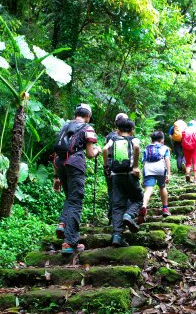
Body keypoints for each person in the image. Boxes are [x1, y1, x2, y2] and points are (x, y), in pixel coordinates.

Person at [53, 103, 101, 255]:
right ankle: (70, 242)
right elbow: (90, 154)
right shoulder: (87, 128)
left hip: (60, 164)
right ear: (87, 116)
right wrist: (98, 150)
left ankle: (63, 223)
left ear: (76, 114)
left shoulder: (65, 126)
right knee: (76, 200)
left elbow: (57, 150)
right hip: (75, 164)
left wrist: (56, 177)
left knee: (70, 197)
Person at [102, 118, 143, 247]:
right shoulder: (134, 139)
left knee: (117, 205)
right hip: (130, 174)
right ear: (132, 130)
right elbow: (136, 147)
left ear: (118, 130)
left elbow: (104, 149)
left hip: (116, 176)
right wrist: (135, 166)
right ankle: (129, 215)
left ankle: (117, 236)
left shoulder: (113, 139)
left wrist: (106, 167)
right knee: (138, 199)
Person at [137, 131, 171, 224]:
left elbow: (144, 162)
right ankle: (165, 209)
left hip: (148, 169)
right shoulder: (165, 148)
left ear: (151, 140)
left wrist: (143, 177)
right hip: (160, 168)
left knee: (148, 190)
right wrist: (168, 173)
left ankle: (144, 206)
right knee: (162, 187)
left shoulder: (147, 148)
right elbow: (167, 160)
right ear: (162, 140)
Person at [104, 112, 129, 225]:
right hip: (123, 168)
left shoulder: (110, 136)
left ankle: (112, 218)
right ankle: (123, 217)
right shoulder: (127, 136)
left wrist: (105, 166)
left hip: (109, 166)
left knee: (112, 192)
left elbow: (106, 150)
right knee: (124, 192)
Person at [181, 119, 196, 184]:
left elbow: (182, 139)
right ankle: (195, 179)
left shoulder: (184, 130)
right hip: (195, 148)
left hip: (186, 148)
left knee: (188, 163)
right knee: (195, 163)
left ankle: (187, 174)